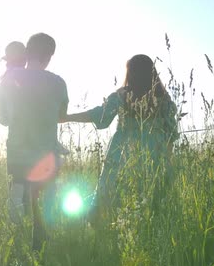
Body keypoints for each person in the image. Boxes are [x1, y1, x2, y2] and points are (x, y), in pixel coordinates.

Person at [62, 54, 178, 223]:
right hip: (155, 154)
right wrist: (167, 162)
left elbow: (100, 116)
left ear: (130, 73)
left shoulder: (121, 96)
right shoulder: (163, 100)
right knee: (152, 201)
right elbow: (171, 135)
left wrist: (67, 117)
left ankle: (104, 228)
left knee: (111, 194)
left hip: (122, 152)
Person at [0, 33, 69, 250]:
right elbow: (61, 116)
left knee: (18, 196)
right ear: (49, 56)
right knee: (43, 203)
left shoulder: (10, 77)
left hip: (18, 152)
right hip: (46, 155)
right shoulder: (58, 83)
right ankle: (44, 245)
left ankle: (18, 246)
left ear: (27, 52)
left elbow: (1, 115)